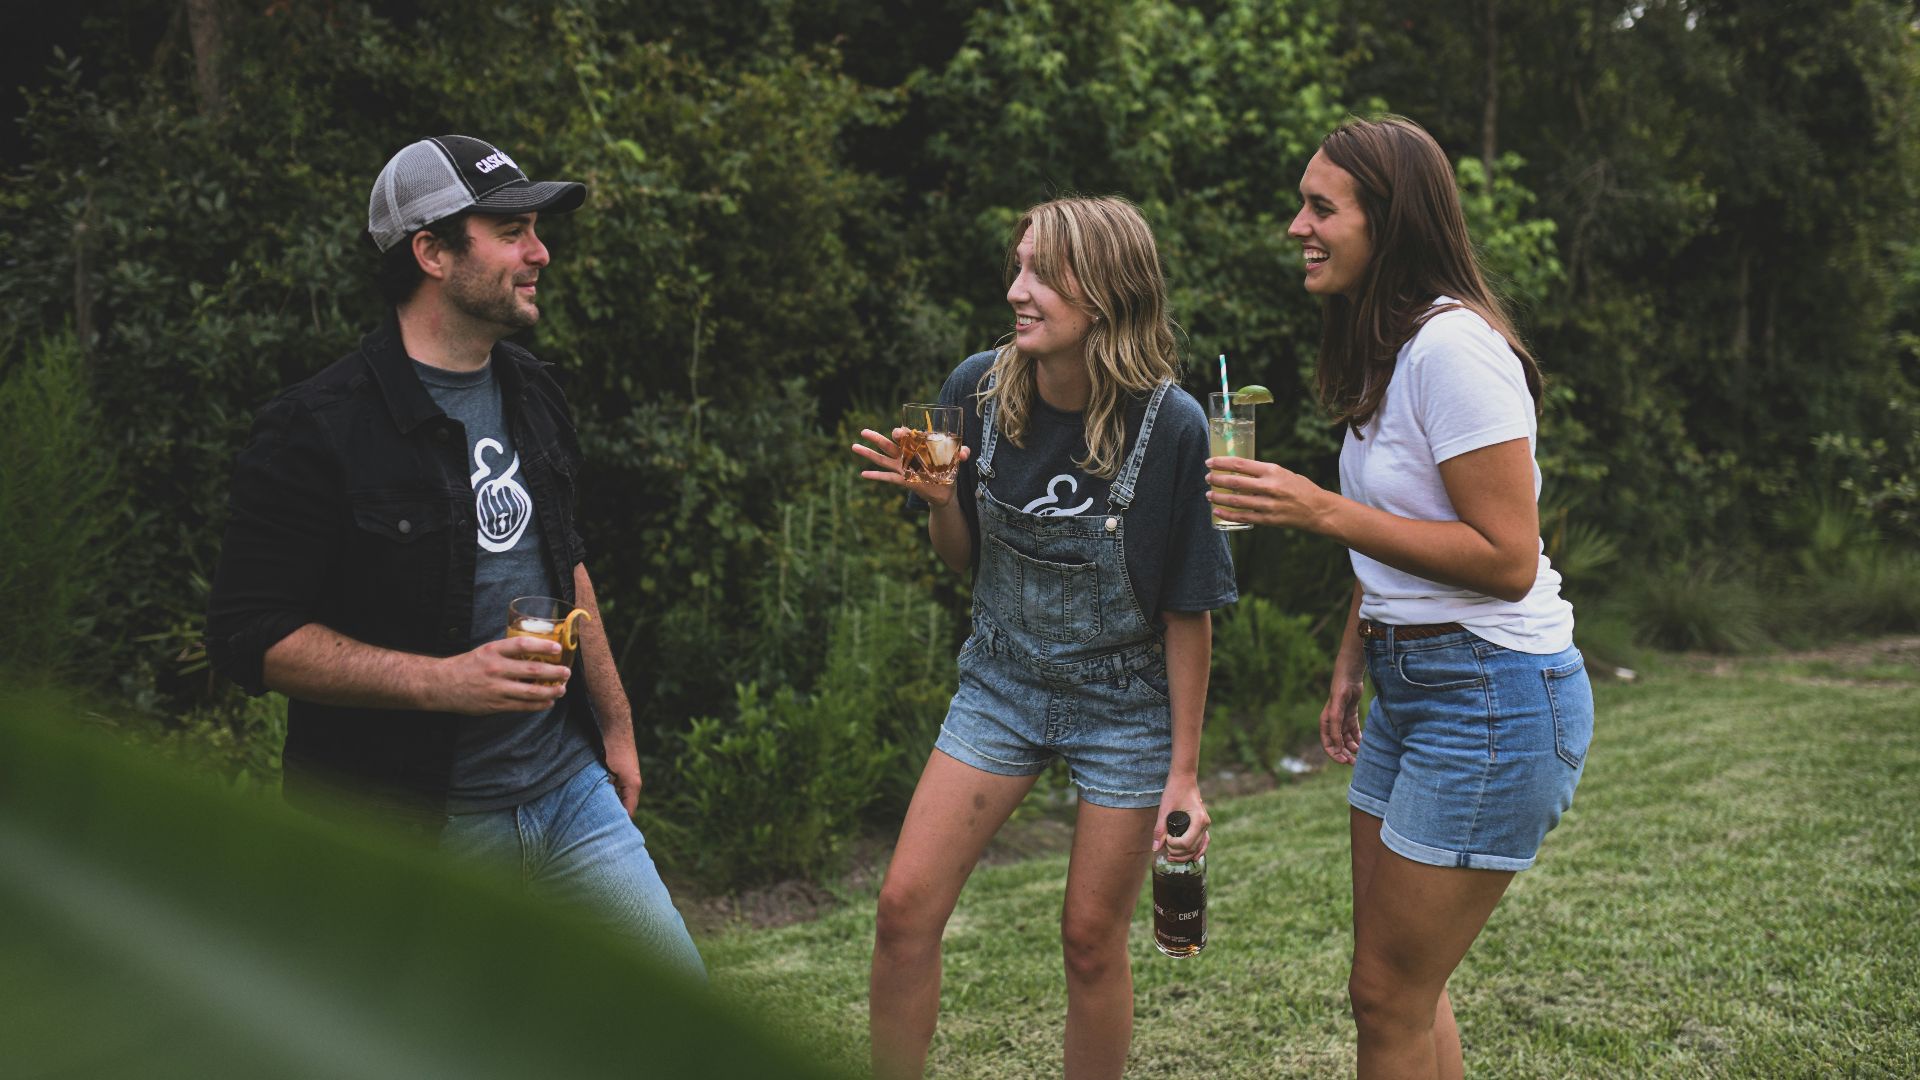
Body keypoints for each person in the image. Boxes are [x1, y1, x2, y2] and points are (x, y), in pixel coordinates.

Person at [206, 135, 704, 978]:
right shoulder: (318, 427)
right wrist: (444, 682)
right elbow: (248, 636)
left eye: (536, 229)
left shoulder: (531, 388)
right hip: (414, 824)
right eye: (511, 229)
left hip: (569, 788)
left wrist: (614, 727)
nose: (539, 252)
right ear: (431, 251)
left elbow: (566, 562)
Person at [1206, 115, 1595, 1078]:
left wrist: (1320, 511)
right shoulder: (1396, 351)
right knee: (1403, 993)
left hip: (1493, 692)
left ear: (1390, 222)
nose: (1297, 225)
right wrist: (1354, 657)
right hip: (1413, 681)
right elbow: (1410, 529)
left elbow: (1505, 557)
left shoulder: (1456, 352)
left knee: (1387, 996)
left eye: (1319, 207)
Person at [851, 196, 1237, 1080]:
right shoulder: (975, 390)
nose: (1018, 291)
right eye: (1017, 268)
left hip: (1126, 703)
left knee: (1090, 941)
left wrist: (1184, 772)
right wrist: (942, 503)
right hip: (1003, 683)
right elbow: (961, 564)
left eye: (1042, 275)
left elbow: (1189, 612)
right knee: (904, 908)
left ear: (1102, 295)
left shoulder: (1172, 426)